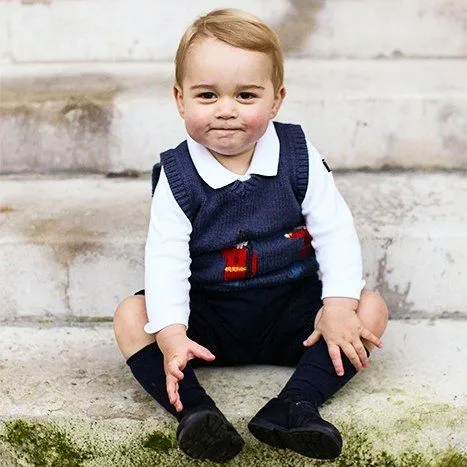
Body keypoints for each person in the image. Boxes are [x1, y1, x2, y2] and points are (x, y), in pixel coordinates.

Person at [114, 8, 389, 464]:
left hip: (291, 311)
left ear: (276, 100)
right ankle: (197, 415)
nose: (226, 110)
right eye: (207, 95)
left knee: (371, 307)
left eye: (245, 95)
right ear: (180, 100)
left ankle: (295, 405)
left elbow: (335, 229)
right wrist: (172, 333)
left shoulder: (298, 155)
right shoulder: (179, 176)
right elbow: (165, 258)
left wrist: (337, 306)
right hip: (210, 318)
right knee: (130, 316)